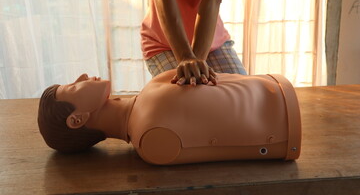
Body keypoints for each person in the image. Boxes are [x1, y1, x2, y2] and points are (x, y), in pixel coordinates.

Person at [38, 70, 301, 165]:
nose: (82, 77)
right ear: (77, 120)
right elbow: (223, 147)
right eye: (73, 87)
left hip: (275, 87)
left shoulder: (151, 90)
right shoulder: (151, 141)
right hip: (286, 126)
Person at [139, 0, 247, 86]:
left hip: (213, 41)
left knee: (242, 92)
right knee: (189, 97)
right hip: (163, 44)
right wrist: (186, 57)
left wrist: (197, 63)